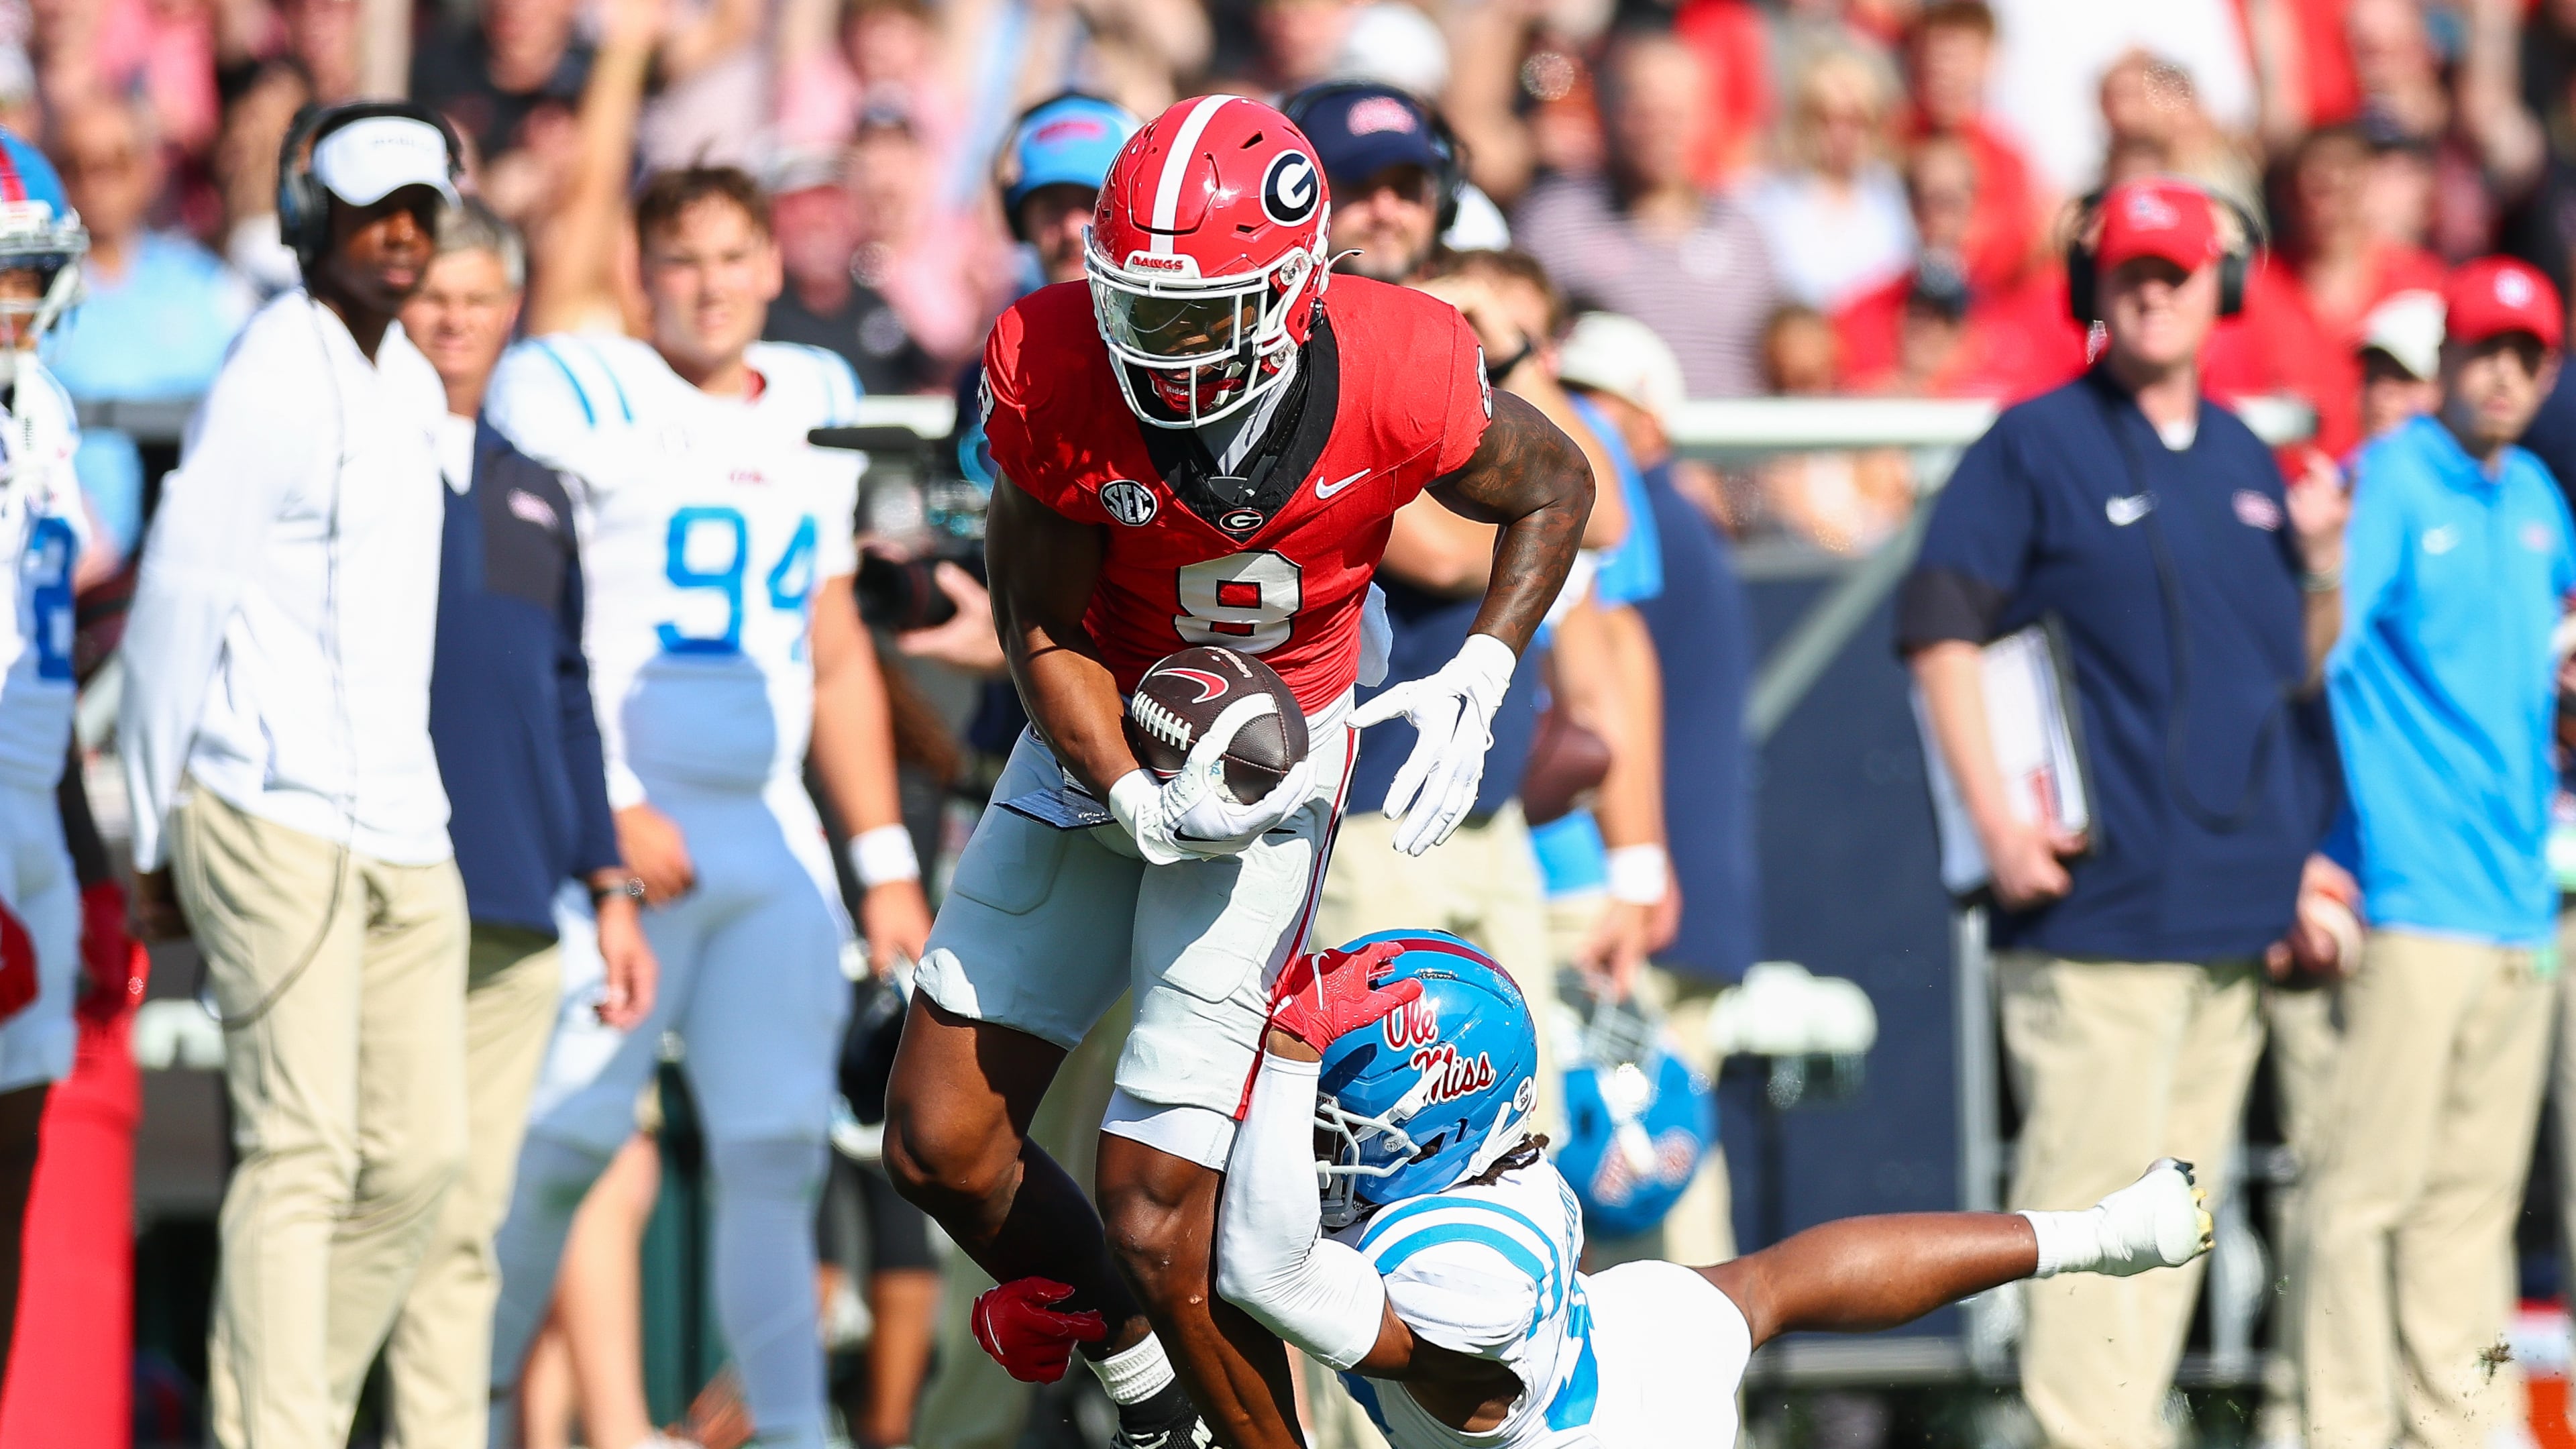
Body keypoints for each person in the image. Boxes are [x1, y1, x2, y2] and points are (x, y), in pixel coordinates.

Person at [881, 95, 1591, 1449]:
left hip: (1281, 775)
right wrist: (1135, 794)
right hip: (1092, 736)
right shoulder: (1053, 359)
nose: (1161, 343)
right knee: (938, 1144)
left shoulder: (1403, 361)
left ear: (1298, 290)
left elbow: (1558, 482)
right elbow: (1038, 626)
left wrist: (1485, 671)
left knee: (1159, 1217)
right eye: (1139, 306)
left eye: (1202, 313)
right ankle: (1154, 1392)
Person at [983, 933, 2216, 1449]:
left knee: (1762, 1291)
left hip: (1620, 1433)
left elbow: (1262, 1271)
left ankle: (2102, 1233)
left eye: (1326, 1104)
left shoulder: (1460, 1262)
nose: (1298, 1124)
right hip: (1616, 1346)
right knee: (1762, 1289)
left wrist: (1300, 1055)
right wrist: (1120, 1334)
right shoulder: (1466, 1186)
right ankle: (2106, 1232)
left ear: (1420, 1113)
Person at [480, 164, 933, 1449]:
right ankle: (463, 1414)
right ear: (639, 271)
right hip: (622, 823)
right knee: (565, 1144)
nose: (711, 285)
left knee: (777, 1150)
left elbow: (834, 648)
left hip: (763, 825)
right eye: (682, 260)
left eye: (734, 257)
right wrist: (607, 805)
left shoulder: (818, 397)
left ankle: (791, 1432)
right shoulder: (573, 388)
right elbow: (525, 618)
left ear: (773, 266)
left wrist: (883, 860)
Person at [1898, 176, 2345, 1449]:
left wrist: (2319, 574)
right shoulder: (2033, 442)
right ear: (2096, 291)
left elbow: (2284, 680)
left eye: (2178, 271)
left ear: (2224, 293)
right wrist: (1997, 823)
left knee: (2178, 1235)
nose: (2153, 290)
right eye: (2132, 271)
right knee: (2093, 1220)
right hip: (2098, 924)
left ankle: (2125, 1429)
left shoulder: (2255, 459)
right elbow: (1938, 634)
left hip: (2230, 922)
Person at [116, 102, 466, 1449]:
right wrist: (154, 829)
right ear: (307, 217)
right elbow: (172, 613)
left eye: (420, 209)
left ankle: (294, 1414)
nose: (401, 234)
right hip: (265, 810)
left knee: (422, 1160)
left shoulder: (410, 379)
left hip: (400, 819)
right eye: (375, 207)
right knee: (301, 1154)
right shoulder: (268, 370)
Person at [386, 198, 660, 1449]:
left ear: (512, 311)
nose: (453, 316)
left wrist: (606, 886)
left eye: (477, 294)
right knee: (371, 1191)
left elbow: (564, 695)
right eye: (431, 291)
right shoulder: (357, 453)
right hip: (380, 879)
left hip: (516, 895)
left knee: (472, 1211)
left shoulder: (535, 486)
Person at [2302, 257, 2575, 1449]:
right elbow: (2311, 660)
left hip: (2520, 897)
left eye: (2528, 354)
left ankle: (2467, 1429)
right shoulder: (2388, 484)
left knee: (2470, 1208)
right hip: (2411, 887)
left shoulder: (2539, 502)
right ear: (2446, 362)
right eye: (2484, 350)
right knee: (2359, 1200)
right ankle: (2349, 1430)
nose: (2504, 374)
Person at [0, 127, 91, 1382]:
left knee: (15, 1167)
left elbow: (52, 659)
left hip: (30, 810)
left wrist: (95, 857)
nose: (15, 297)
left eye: (29, 269)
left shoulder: (47, 410)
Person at [42, 95, 254, 569]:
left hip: (199, 555)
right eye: (76, 166)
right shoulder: (33, 300)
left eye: (113, 164)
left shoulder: (206, 285)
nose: (94, 184)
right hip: (78, 567)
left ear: (146, 170)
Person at [1512, 34, 1780, 398]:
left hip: (1731, 443)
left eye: (1677, 114)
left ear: (1708, 119)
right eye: (1644, 112)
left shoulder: (1746, 233)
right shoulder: (1556, 220)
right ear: (1610, 113)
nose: (1660, 130)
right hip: (1602, 447)